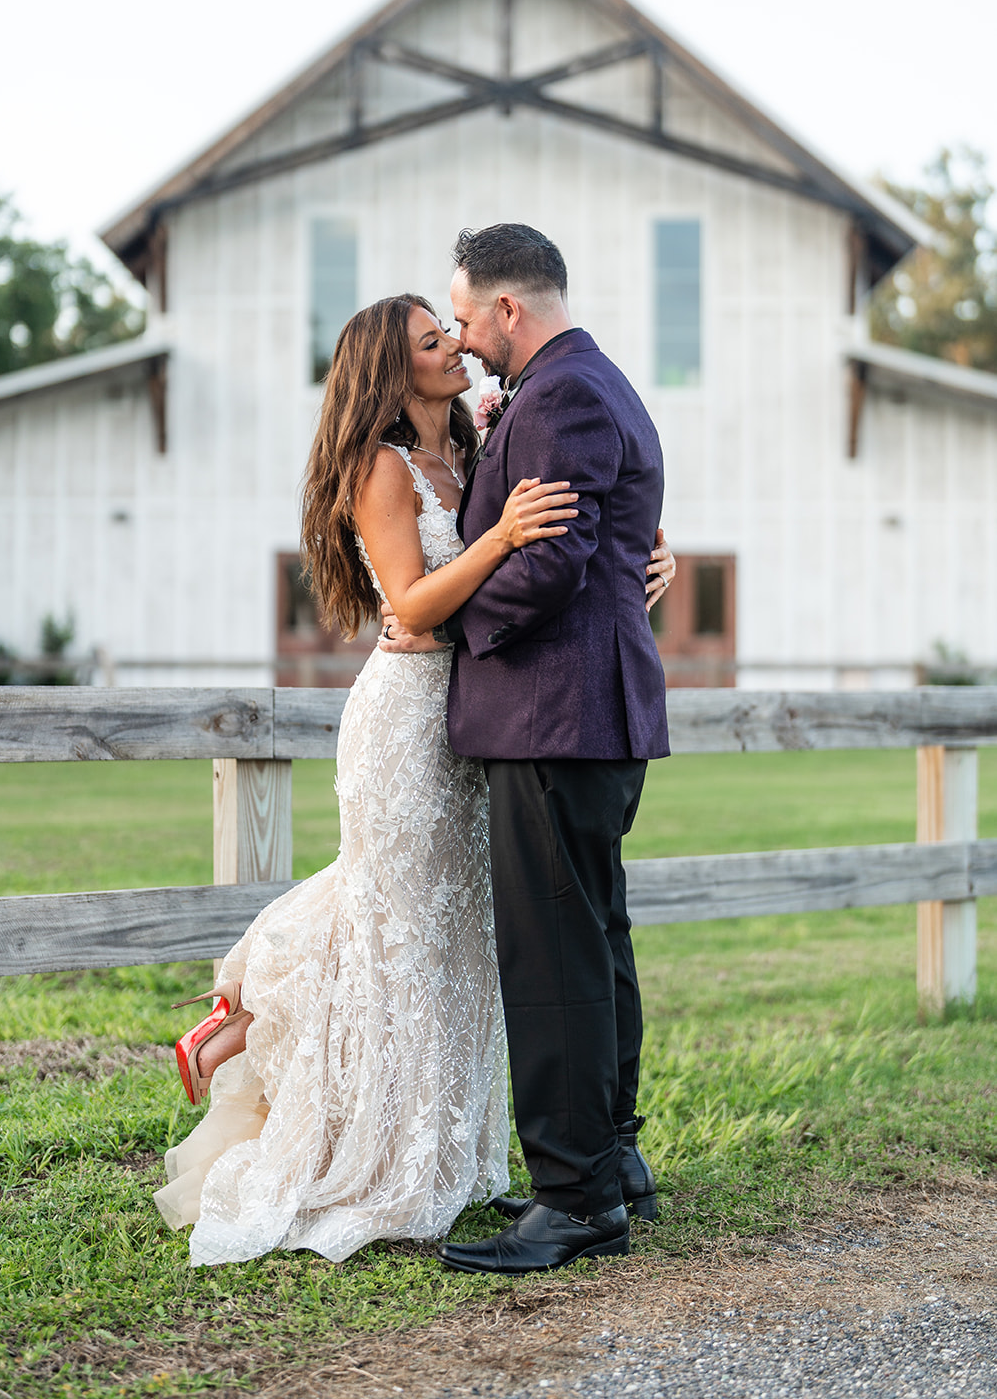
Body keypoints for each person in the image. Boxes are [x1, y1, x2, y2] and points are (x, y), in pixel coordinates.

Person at [156, 291, 676, 1268]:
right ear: (391, 374)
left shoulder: (475, 449)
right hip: (405, 722)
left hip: (477, 713)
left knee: (451, 939)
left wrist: (635, 564)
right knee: (389, 917)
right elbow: (409, 601)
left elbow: (562, 539)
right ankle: (264, 1032)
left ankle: (439, 1150)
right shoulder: (380, 466)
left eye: (451, 331)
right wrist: (499, 538)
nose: (456, 348)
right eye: (434, 342)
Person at [383, 225, 670, 1275]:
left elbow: (549, 565)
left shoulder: (559, 397)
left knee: (551, 956)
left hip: (555, 711)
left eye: (463, 316)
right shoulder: (590, 383)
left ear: (508, 308)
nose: (460, 337)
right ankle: (612, 1161)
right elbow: (605, 547)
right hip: (584, 712)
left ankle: (574, 1197)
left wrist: (438, 622)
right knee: (591, 939)